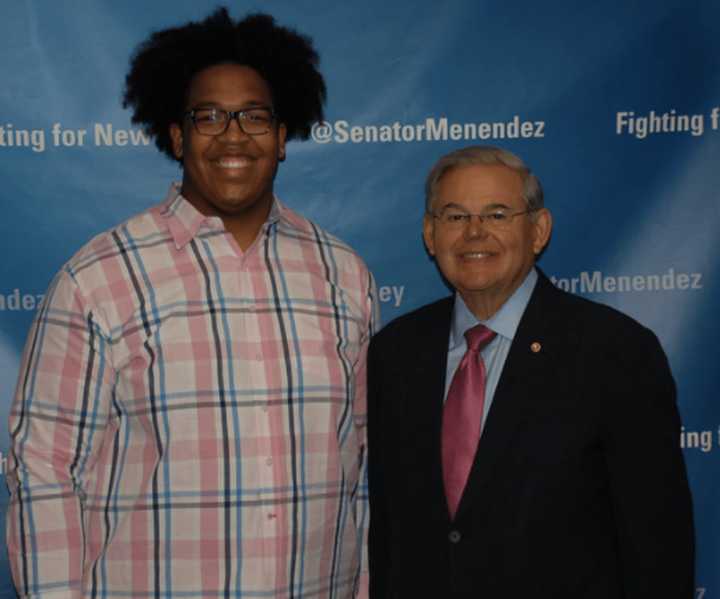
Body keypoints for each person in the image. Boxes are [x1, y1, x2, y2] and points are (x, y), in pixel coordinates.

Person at [7, 8, 376, 599]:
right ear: (177, 136)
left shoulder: (343, 275)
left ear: (283, 137)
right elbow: (45, 471)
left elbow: (361, 464)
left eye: (254, 116)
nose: (233, 134)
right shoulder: (98, 278)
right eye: (208, 116)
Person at [367, 145, 694, 598]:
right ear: (429, 233)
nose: (474, 234)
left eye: (498, 215)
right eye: (455, 217)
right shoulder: (394, 353)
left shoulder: (616, 353)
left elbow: (659, 546)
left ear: (538, 230)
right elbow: (388, 532)